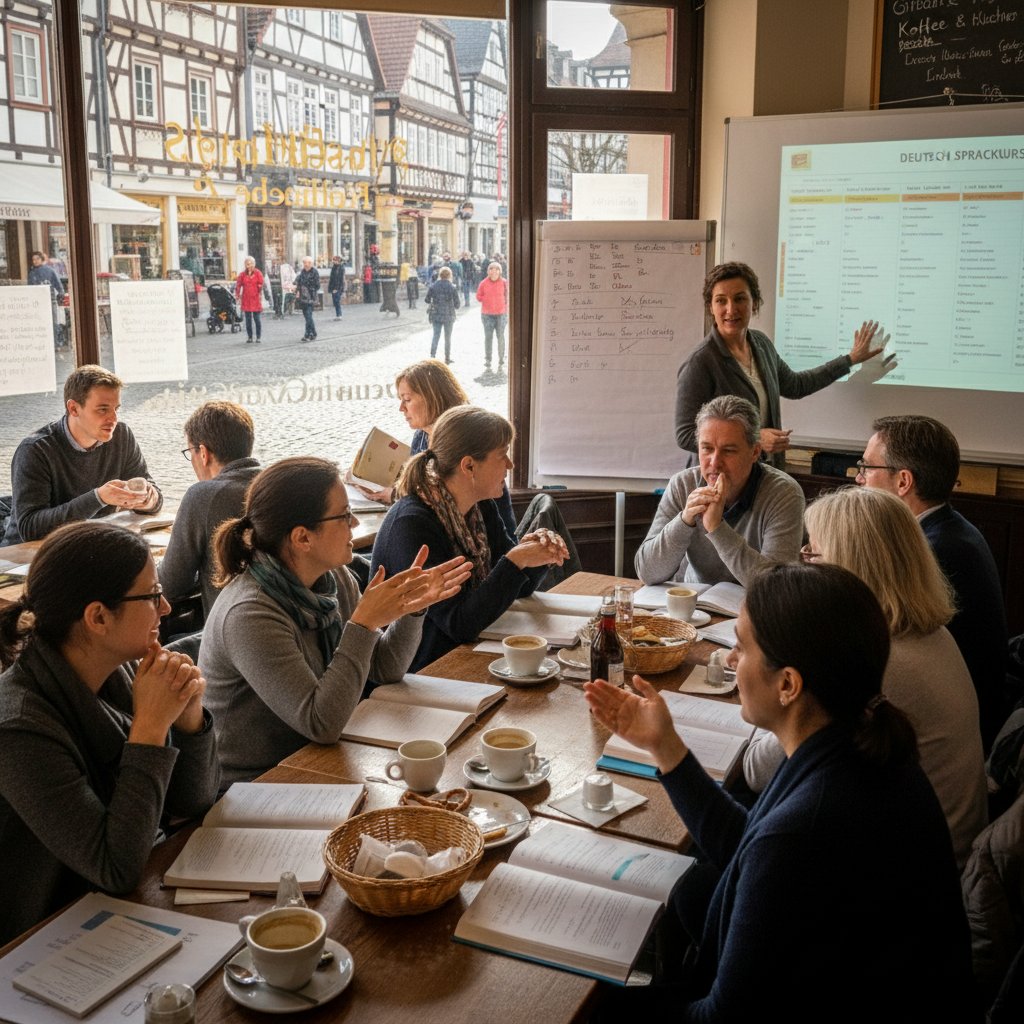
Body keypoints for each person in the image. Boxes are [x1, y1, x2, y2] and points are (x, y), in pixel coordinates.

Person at [584, 562, 978, 1020]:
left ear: (788, 684)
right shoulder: (857, 738)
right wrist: (665, 747)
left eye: (742, 647)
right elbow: (749, 846)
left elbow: (720, 1017)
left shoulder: (810, 824)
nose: (731, 660)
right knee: (692, 887)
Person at [743, 486, 987, 867]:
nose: (805, 565)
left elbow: (757, 770)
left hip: (907, 878)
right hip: (930, 848)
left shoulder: (878, 660)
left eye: (813, 554)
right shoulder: (929, 633)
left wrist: (785, 651)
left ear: (850, 566)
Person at [0, 521, 219, 944]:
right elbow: (114, 867)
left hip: (123, 902)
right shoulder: (18, 727)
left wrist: (190, 719)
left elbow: (194, 801)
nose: (167, 608)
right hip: (47, 938)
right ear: (98, 616)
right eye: (153, 596)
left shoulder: (117, 671)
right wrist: (151, 728)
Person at [199, 457, 471, 786]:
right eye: (343, 515)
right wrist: (362, 626)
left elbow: (384, 668)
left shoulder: (333, 578)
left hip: (319, 756)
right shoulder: (249, 613)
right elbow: (321, 723)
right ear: (302, 538)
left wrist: (413, 609)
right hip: (256, 784)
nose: (355, 523)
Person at [370, 406, 568, 670]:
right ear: (469, 466)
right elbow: (458, 623)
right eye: (502, 456)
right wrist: (514, 560)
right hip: (428, 668)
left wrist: (537, 554)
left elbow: (517, 588)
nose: (510, 465)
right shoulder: (412, 525)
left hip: (469, 650)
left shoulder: (480, 506)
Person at [858, 415, 1011, 750]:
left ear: (903, 482)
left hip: (955, 736)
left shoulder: (935, 551)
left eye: (867, 467)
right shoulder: (948, 529)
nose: (859, 479)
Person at [675, 262, 886, 468]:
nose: (731, 309)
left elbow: (796, 385)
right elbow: (684, 434)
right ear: (710, 307)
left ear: (754, 303)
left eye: (740, 298)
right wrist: (754, 438)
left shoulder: (761, 344)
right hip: (720, 480)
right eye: (721, 301)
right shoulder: (700, 362)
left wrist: (849, 360)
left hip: (762, 473)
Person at [635, 395, 804, 586]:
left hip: (752, 608)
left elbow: (776, 586)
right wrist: (684, 521)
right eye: (707, 449)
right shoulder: (682, 484)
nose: (714, 463)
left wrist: (716, 528)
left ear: (755, 452)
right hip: (694, 604)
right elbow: (647, 572)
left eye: (729, 451)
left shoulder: (784, 494)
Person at [3, 364, 162, 545]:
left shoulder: (122, 436)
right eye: (103, 409)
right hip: (23, 559)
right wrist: (98, 498)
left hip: (87, 546)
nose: (113, 419)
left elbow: (156, 498)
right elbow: (30, 528)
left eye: (116, 409)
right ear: (74, 409)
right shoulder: (35, 450)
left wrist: (148, 499)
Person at [159, 401, 261, 618]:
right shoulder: (275, 483)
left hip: (228, 633)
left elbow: (170, 584)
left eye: (190, 452)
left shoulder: (203, 495)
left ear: (203, 453)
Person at [28, 250, 65, 348]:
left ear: (42, 259)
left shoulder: (50, 271)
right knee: (40, 322)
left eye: (37, 259)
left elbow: (58, 284)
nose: (35, 261)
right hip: (37, 301)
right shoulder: (31, 273)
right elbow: (30, 288)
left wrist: (61, 294)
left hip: (50, 299)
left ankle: (55, 343)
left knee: (53, 321)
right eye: (33, 259)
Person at [476, 261, 509, 371]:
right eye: (491, 269)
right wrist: (487, 298)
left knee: (501, 337)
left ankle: (501, 358)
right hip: (487, 315)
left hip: (501, 314)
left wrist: (505, 307)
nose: (494, 271)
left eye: (497, 269)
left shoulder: (505, 282)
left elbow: (509, 296)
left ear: (500, 271)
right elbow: (478, 296)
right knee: (488, 337)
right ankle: (488, 359)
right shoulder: (483, 283)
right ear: (488, 271)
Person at [425, 266, 460, 364]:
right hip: (449, 315)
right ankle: (447, 358)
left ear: (440, 275)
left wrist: (435, 300)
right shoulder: (452, 287)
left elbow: (427, 300)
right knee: (447, 338)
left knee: (436, 335)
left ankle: (432, 356)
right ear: (449, 276)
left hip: (436, 314)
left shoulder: (433, 286)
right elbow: (457, 305)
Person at [233, 256, 266, 344]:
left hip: (255, 299)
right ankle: (250, 337)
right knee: (248, 320)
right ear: (245, 265)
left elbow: (261, 282)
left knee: (257, 319)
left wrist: (259, 287)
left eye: (251, 263)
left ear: (254, 264)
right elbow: (238, 285)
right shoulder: (242, 274)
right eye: (247, 264)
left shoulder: (258, 273)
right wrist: (237, 295)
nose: (249, 265)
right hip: (246, 299)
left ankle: (258, 337)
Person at [295, 256, 321, 342]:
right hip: (303, 298)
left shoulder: (314, 272)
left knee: (309, 316)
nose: (306, 264)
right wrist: (296, 287)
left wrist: (308, 287)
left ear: (311, 264)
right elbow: (297, 283)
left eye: (308, 263)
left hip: (311, 297)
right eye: (305, 263)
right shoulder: (302, 272)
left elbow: (317, 285)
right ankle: (313, 333)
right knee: (307, 317)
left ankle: (307, 335)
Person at [328, 255, 346, 320]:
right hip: (333, 287)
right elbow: (332, 278)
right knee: (335, 301)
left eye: (335, 260)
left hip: (338, 287)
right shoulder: (334, 267)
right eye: (333, 260)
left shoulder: (341, 268)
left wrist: (337, 288)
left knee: (337, 301)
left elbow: (340, 279)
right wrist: (331, 288)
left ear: (338, 261)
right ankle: (338, 314)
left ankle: (339, 315)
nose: (333, 261)